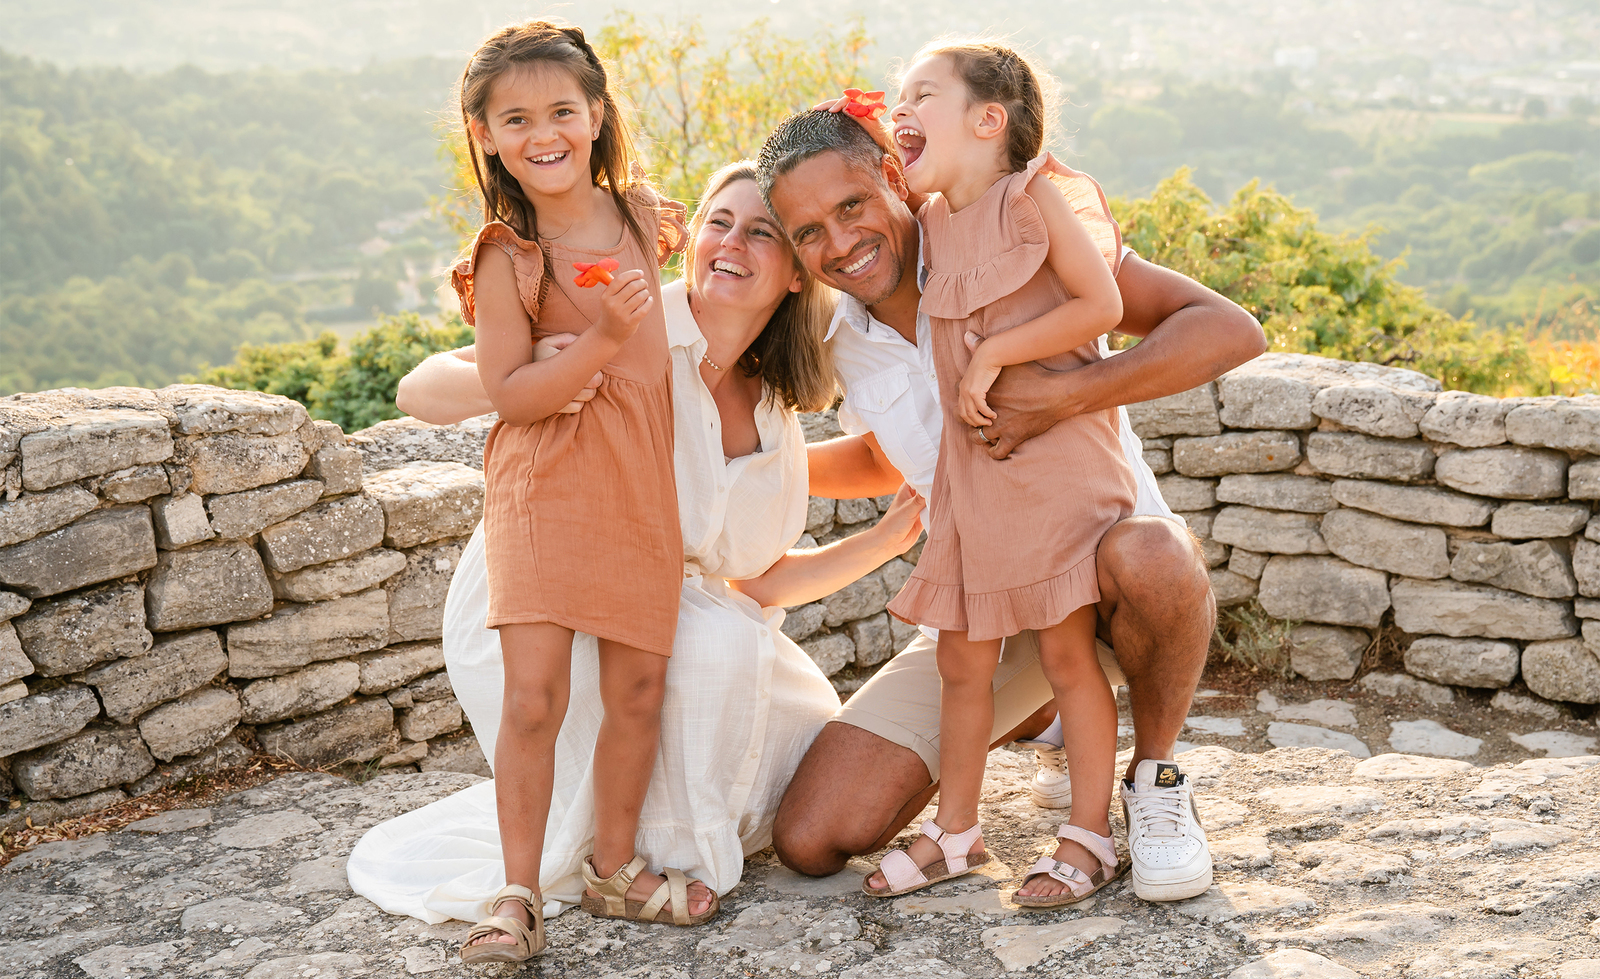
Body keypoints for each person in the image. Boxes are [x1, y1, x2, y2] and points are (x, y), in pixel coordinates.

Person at [347, 161, 927, 949]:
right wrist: (550, 367)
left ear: (795, 273)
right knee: (716, 651)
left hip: (664, 587)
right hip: (554, 574)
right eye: (719, 221)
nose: (733, 242)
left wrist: (886, 539)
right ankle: (633, 859)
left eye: (764, 231)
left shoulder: (771, 401)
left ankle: (650, 837)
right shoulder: (631, 323)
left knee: (802, 720)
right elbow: (420, 389)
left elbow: (757, 576)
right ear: (690, 242)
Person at [756, 103, 1267, 904]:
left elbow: (1229, 329)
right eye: (808, 231)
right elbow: (880, 458)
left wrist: (1065, 397)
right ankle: (1037, 719)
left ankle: (1154, 779)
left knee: (1155, 553)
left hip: (1100, 567)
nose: (840, 242)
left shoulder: (1011, 236)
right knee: (813, 836)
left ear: (892, 176)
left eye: (851, 206)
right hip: (987, 596)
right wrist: (745, 469)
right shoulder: (843, 339)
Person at [445, 20, 704, 963]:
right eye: (515, 118)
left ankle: (612, 864)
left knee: (639, 688)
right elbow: (511, 392)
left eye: (562, 109)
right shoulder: (508, 259)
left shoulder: (643, 219)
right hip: (544, 482)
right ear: (484, 135)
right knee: (534, 696)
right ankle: (516, 890)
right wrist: (595, 341)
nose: (542, 131)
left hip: (640, 479)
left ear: (596, 115)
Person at [855, 38, 1135, 908]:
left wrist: (996, 357)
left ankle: (1091, 832)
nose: (902, 111)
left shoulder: (1032, 199)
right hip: (972, 478)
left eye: (922, 95)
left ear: (989, 119)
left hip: (1052, 464)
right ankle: (958, 829)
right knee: (961, 660)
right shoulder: (931, 221)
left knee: (1064, 652)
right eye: (898, 98)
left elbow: (1104, 305)